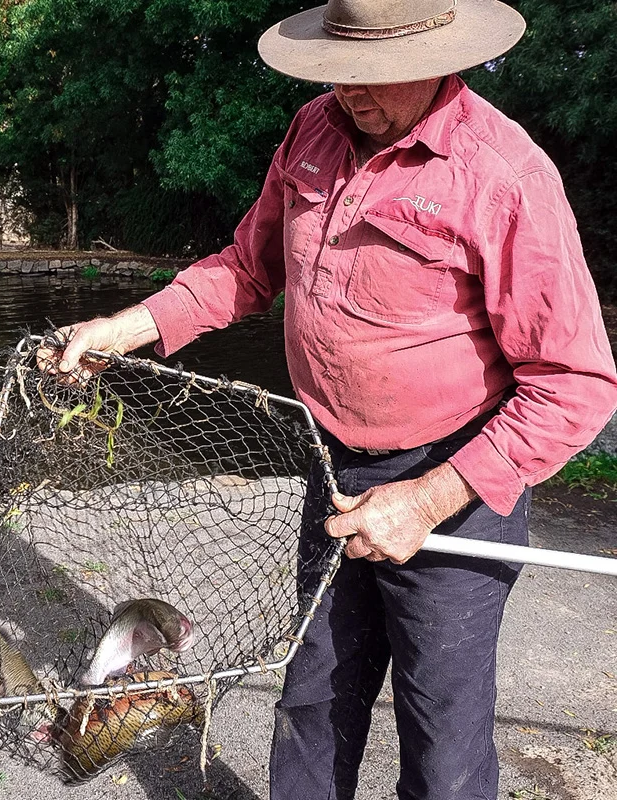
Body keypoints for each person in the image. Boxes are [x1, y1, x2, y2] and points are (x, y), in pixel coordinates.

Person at [38, 1, 617, 797]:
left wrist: (423, 500)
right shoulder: (312, 129)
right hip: (332, 466)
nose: (354, 93)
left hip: (456, 485)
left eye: (376, 76)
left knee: (443, 738)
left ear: (442, 57)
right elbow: (247, 268)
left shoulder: (505, 174)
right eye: (340, 71)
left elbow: (574, 387)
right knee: (312, 700)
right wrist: (128, 326)